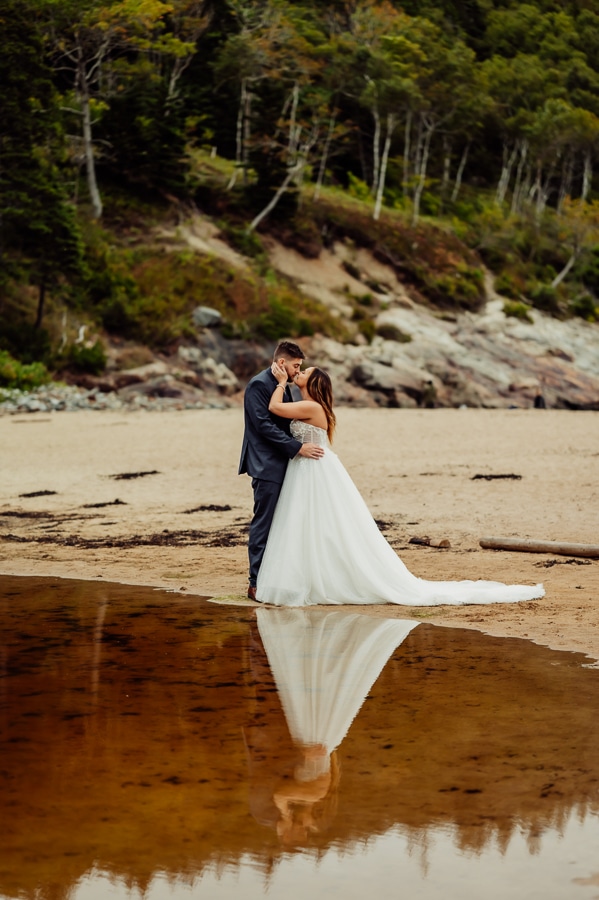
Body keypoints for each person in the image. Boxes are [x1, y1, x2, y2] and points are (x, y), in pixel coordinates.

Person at [255, 364, 545, 606]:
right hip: (306, 466)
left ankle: (315, 578)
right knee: (310, 523)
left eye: (306, 371)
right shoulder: (309, 404)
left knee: (314, 522)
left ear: (315, 382)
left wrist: (280, 381)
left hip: (312, 469)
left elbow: (274, 407)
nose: (300, 372)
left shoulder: (310, 405)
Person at [239, 340, 324, 601]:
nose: (298, 370)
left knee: (281, 524)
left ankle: (274, 578)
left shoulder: (282, 386)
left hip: (283, 462)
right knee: (264, 523)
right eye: (296, 365)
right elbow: (263, 425)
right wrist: (297, 448)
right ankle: (255, 583)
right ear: (281, 363)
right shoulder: (258, 384)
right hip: (266, 464)